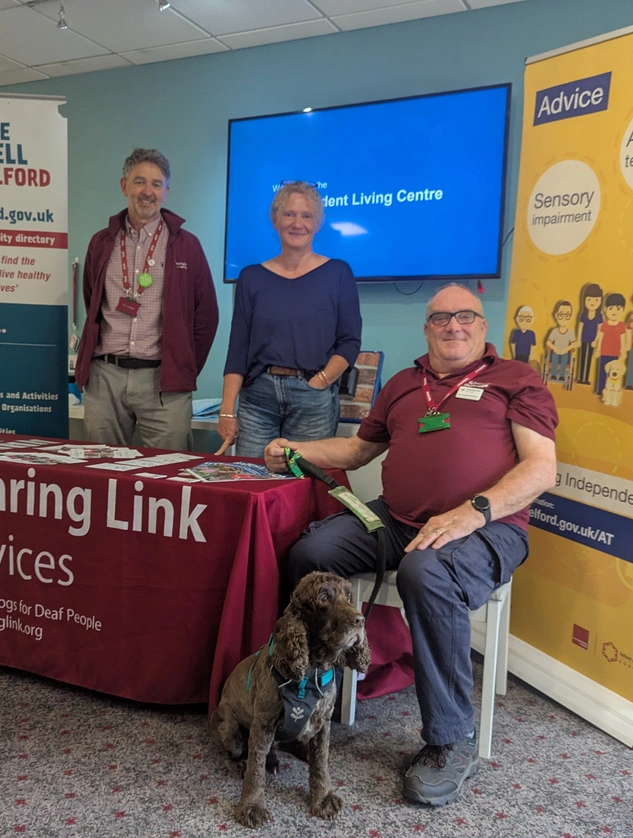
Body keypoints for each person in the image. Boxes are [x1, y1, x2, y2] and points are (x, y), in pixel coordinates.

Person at [263, 284, 557, 808]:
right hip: (395, 520)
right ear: (427, 328)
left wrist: (474, 512)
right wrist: (295, 448)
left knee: (426, 572)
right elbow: (356, 451)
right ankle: (304, 692)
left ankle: (449, 739)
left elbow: (542, 467)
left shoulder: (515, 380)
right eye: (440, 318)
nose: (453, 327)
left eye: (465, 316)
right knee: (310, 555)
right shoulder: (403, 383)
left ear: (483, 326)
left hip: (488, 528)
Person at [75, 148, 219, 450]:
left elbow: (206, 317)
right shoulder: (101, 242)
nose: (147, 192)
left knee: (168, 476)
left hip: (163, 382)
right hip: (106, 378)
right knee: (102, 472)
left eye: (156, 184)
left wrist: (183, 366)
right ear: (124, 185)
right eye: (139, 182)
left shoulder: (187, 246)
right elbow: (92, 300)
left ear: (167, 192)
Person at [218, 181, 361, 460]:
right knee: (251, 480)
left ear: (318, 223)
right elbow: (237, 351)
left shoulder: (338, 273)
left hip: (312, 400)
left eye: (306, 215)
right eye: (289, 214)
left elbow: (349, 341)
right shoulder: (251, 278)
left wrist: (320, 381)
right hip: (257, 400)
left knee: (303, 486)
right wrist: (226, 410)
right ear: (275, 219)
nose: (298, 223)